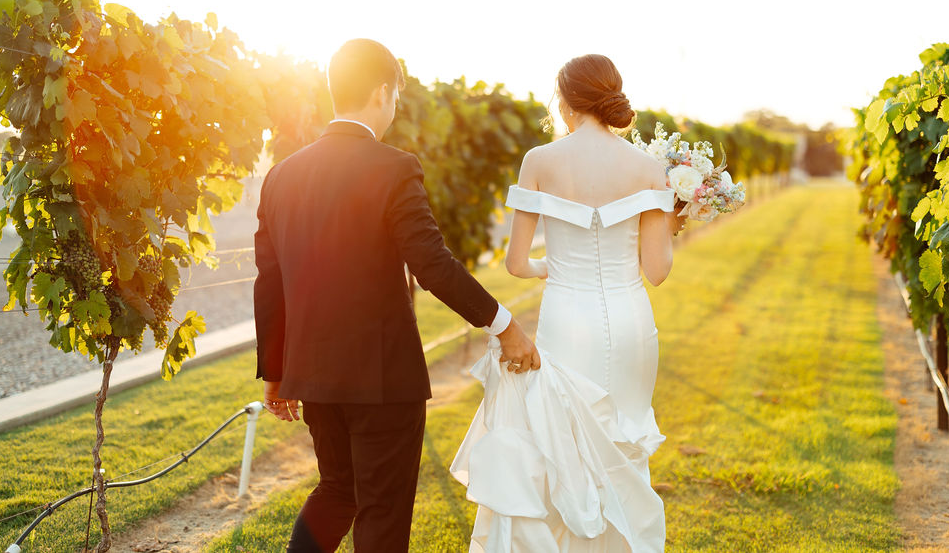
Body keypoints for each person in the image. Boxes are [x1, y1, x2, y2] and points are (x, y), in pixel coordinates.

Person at [252, 38, 540, 552]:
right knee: (382, 509)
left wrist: (277, 371)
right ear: (383, 92)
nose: (396, 108)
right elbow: (431, 264)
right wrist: (504, 323)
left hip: (314, 376)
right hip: (384, 379)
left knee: (337, 489)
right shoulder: (393, 167)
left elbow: (269, 283)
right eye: (397, 95)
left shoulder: (279, 177)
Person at [450, 53, 686, 552]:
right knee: (622, 441)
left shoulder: (540, 160)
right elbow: (658, 272)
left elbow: (516, 262)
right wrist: (671, 221)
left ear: (564, 101)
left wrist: (548, 267)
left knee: (561, 442)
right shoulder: (648, 168)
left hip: (566, 315)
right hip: (630, 322)